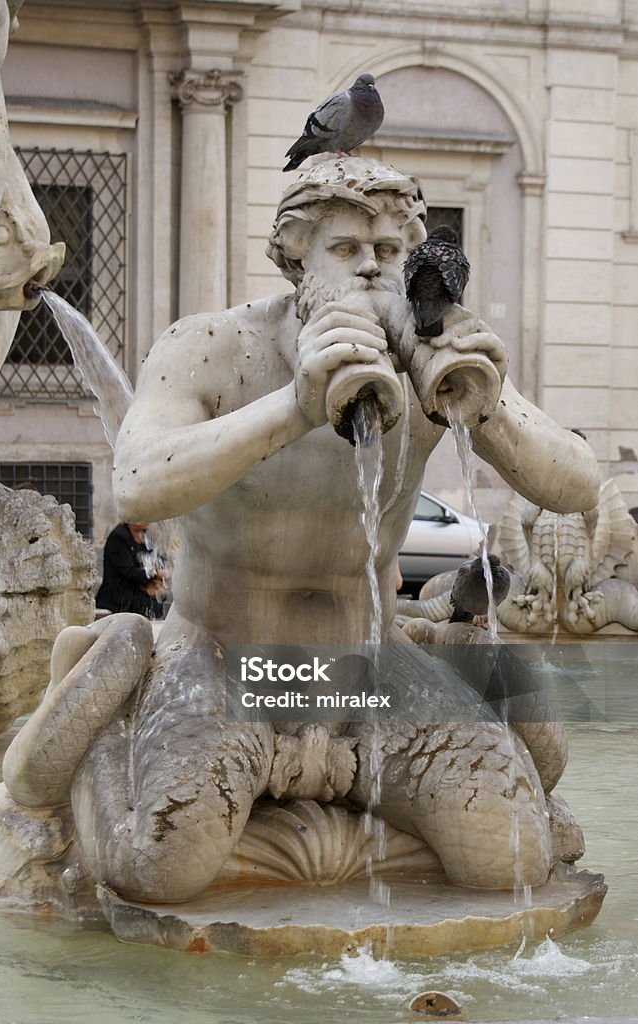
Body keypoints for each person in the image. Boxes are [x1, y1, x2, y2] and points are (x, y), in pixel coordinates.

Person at [55, 158, 601, 902]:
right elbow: (138, 479)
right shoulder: (214, 345)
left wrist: (486, 406)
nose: (372, 268)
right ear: (295, 259)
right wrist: (295, 405)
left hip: (367, 670)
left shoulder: (432, 355)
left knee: (508, 857)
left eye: (389, 251)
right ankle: (105, 744)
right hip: (222, 660)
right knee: (163, 866)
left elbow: (575, 484)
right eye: (346, 249)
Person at [96, 522, 169, 618]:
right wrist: (155, 573)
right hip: (120, 597)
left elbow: (154, 559)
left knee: (157, 602)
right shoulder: (119, 537)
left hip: (143, 592)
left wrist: (157, 579)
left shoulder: (145, 535)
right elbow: (129, 571)